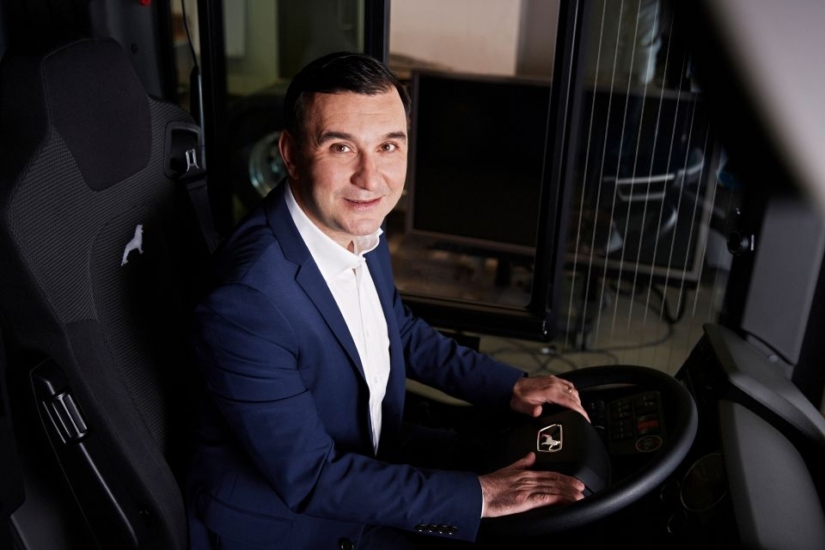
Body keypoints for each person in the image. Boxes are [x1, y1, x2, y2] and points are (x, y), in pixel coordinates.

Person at [186, 51, 590, 550]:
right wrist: (480, 497)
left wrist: (510, 385)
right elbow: (311, 477)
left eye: (388, 146)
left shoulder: (354, 223)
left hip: (373, 454)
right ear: (290, 153)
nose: (371, 178)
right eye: (341, 147)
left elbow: (396, 328)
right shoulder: (247, 303)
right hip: (294, 523)